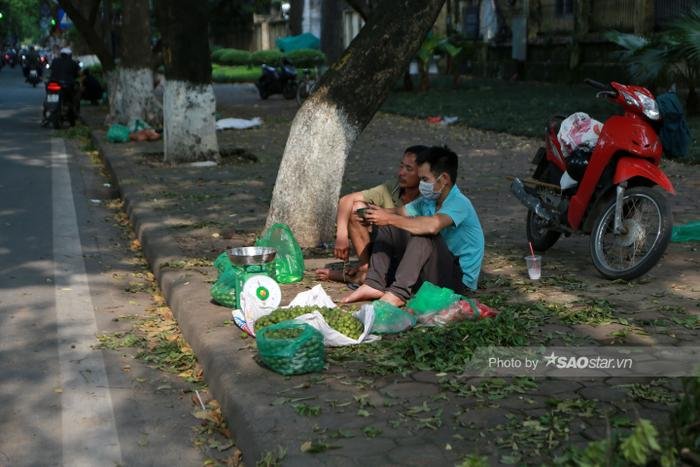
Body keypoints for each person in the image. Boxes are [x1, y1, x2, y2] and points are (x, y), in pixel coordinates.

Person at [341, 146, 484, 306]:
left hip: (458, 280)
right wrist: (372, 214)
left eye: (425, 179)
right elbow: (397, 211)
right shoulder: (428, 200)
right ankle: (374, 283)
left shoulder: (459, 202)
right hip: (433, 271)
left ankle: (398, 293)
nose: (421, 184)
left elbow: (432, 226)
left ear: (444, 179)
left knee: (422, 232)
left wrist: (388, 218)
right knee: (391, 224)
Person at [316, 145, 426, 285]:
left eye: (409, 169)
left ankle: (363, 278)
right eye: (401, 166)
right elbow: (346, 200)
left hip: (413, 257)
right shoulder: (391, 188)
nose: (401, 173)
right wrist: (341, 235)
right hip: (385, 251)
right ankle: (365, 268)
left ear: (423, 173)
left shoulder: (428, 197)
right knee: (357, 208)